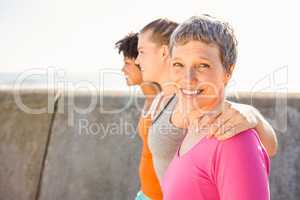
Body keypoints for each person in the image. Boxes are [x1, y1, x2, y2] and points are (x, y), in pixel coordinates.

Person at [135, 18, 278, 185]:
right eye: (179, 64)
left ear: (164, 53)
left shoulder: (199, 105)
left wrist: (254, 116)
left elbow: (268, 147)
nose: (137, 60)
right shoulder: (167, 97)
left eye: (142, 52)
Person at [115, 33, 162, 200]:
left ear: (142, 64)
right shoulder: (150, 101)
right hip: (145, 194)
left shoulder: (165, 103)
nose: (123, 69)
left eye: (127, 63)